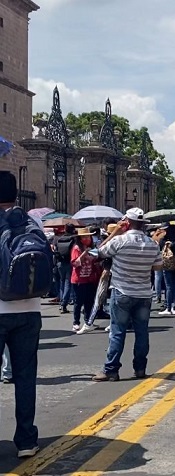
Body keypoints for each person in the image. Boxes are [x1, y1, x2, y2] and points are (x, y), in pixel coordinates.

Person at [0, 171, 44, 457]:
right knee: (26, 377)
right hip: (30, 310)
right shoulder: (33, 222)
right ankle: (26, 440)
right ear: (16, 194)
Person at [92, 208, 162, 382]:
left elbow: (97, 252)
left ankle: (111, 370)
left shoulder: (119, 241)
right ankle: (140, 368)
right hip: (144, 293)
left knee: (117, 332)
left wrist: (115, 231)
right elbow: (159, 266)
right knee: (142, 332)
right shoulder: (152, 244)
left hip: (122, 291)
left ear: (127, 222)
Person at [70, 228, 101, 332]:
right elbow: (75, 263)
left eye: (88, 236)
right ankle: (76, 322)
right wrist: (84, 254)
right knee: (78, 302)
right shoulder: (76, 248)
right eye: (84, 237)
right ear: (80, 238)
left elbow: (96, 260)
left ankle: (88, 321)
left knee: (89, 302)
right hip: (79, 279)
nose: (87, 239)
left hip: (90, 279)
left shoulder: (92, 247)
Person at [54, 223, 77, 314]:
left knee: (62, 282)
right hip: (69, 262)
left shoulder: (59, 239)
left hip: (60, 262)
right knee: (68, 283)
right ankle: (64, 304)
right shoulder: (73, 239)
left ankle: (61, 301)